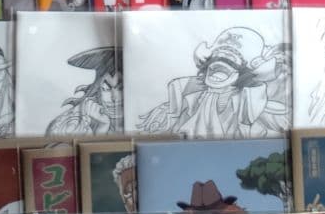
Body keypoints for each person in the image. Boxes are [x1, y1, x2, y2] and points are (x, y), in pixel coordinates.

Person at [142, 26, 287, 137]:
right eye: (217, 56)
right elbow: (174, 113)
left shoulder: (248, 104)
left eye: (232, 61)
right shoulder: (192, 96)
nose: (220, 63)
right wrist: (164, 118)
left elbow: (280, 122)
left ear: (243, 74)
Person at [46, 48, 123, 135]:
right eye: (105, 89)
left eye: (121, 88)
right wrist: (101, 128)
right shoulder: (71, 123)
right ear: (97, 91)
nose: (114, 98)